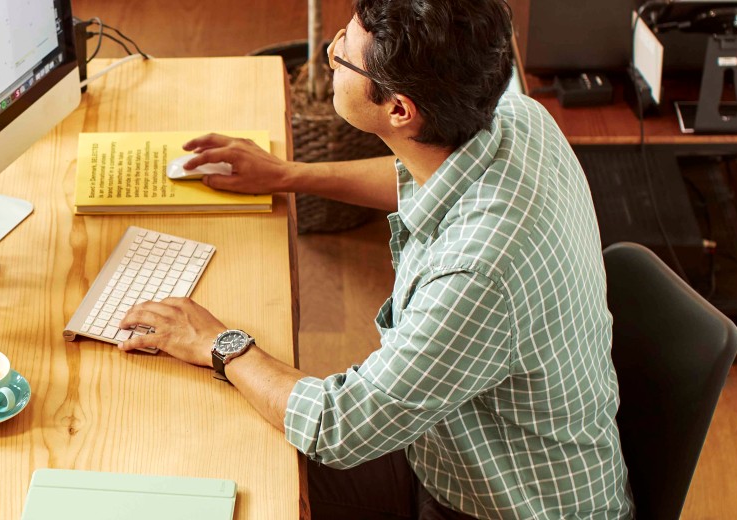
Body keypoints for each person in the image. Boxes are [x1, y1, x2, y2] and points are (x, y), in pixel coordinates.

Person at [117, 0, 630, 518]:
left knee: (243, 473)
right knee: (241, 446)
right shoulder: (518, 118)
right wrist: (286, 176)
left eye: (346, 51)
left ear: (399, 110)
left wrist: (217, 344)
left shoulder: (477, 274)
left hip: (499, 506)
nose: (331, 49)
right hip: (455, 452)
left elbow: (339, 427)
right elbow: (421, 177)